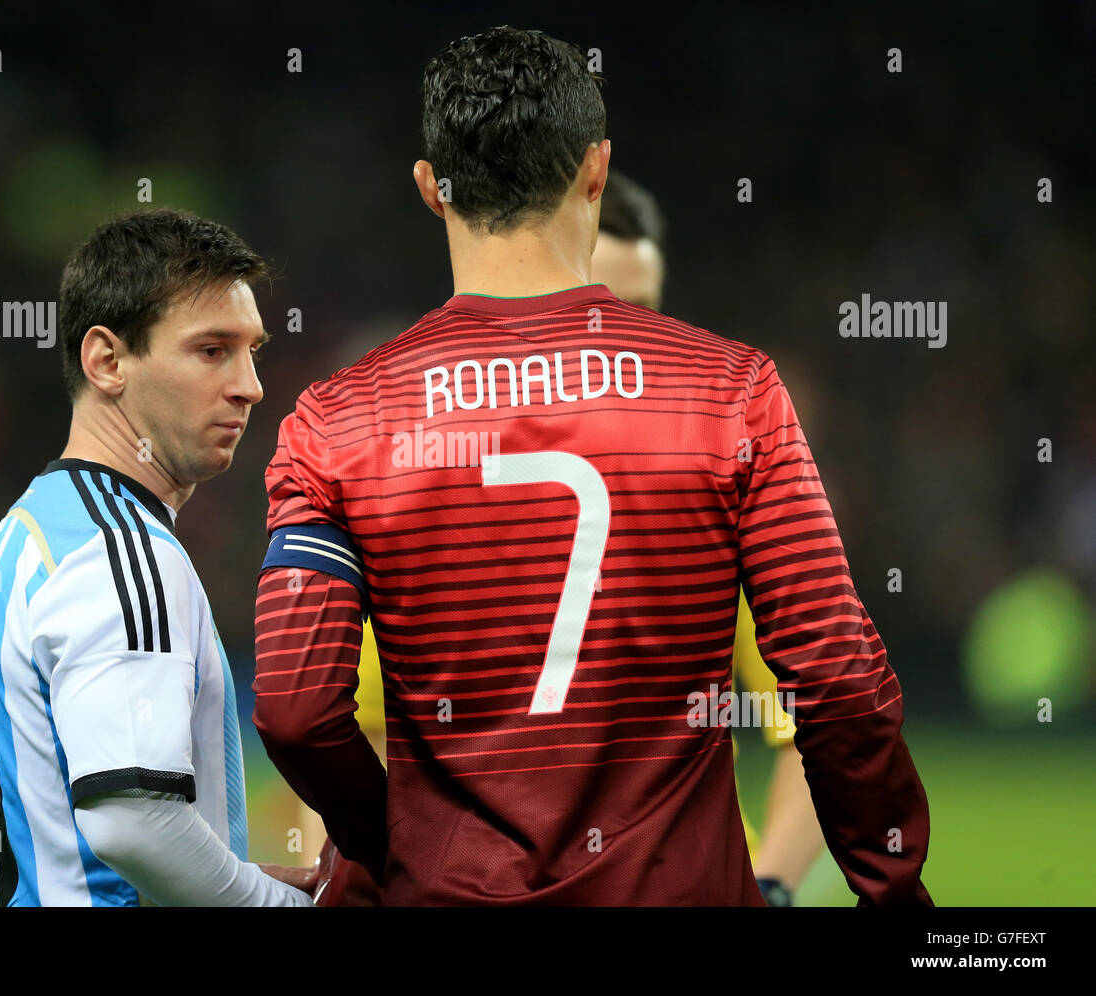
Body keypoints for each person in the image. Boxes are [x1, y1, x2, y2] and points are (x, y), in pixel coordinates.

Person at [253, 26, 932, 905]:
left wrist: (391, 847)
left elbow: (296, 713)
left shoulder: (337, 421)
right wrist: (895, 896)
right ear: (596, 170)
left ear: (430, 188)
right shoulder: (731, 393)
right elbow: (836, 677)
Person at [0, 208, 314, 906]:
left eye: (253, 350)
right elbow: (135, 823)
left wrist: (249, 878)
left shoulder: (34, 530)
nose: (250, 384)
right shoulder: (119, 553)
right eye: (212, 350)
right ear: (107, 361)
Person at [591, 171, 826, 905]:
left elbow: (824, 722)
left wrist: (775, 885)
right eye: (603, 315)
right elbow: (356, 736)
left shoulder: (718, 498)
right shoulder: (436, 493)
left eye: (649, 315)